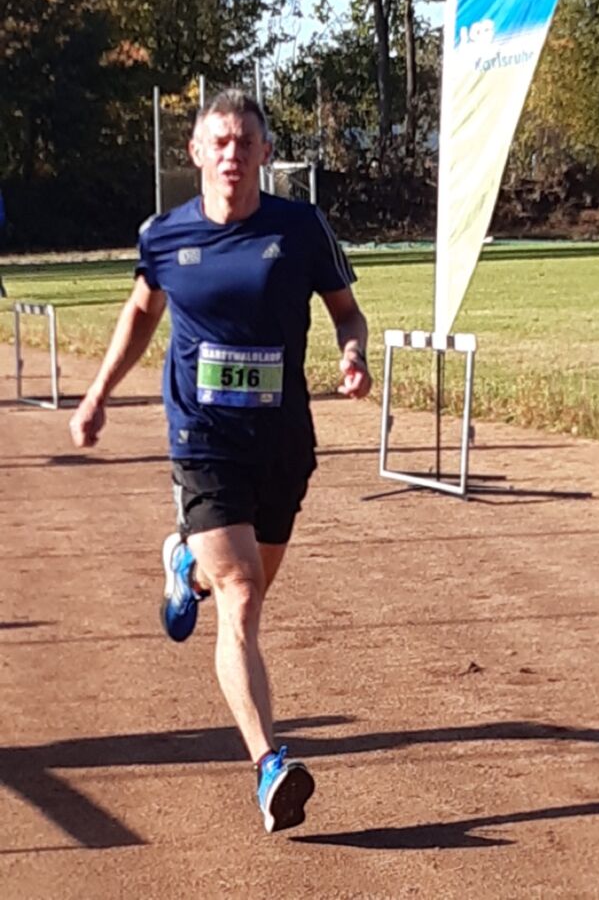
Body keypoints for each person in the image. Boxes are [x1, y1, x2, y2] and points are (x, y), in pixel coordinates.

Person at [69, 88, 371, 833]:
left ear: (265, 153)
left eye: (246, 141)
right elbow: (141, 313)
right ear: (197, 153)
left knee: (245, 582)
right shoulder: (164, 235)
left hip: (283, 442)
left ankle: (185, 566)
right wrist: (98, 394)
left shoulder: (301, 228)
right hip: (203, 439)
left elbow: (346, 312)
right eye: (220, 141)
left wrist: (354, 354)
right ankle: (269, 765)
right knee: (241, 596)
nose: (233, 153)